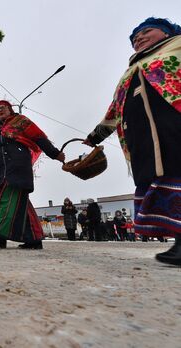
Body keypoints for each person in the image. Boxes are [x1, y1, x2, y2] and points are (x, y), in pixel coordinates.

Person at [83, 18, 181, 265]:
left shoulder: (178, 46)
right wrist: (96, 135)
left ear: (167, 32)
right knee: (162, 180)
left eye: (146, 31)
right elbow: (115, 109)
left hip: (174, 128)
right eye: (134, 37)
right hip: (144, 139)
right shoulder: (131, 70)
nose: (139, 37)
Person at [0, 100, 65, 249]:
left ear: (10, 109)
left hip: (18, 167)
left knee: (5, 201)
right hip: (2, 170)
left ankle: (0, 237)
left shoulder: (21, 122)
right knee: (21, 205)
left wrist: (55, 154)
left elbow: (39, 138)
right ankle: (34, 239)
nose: (0, 111)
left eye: (3, 108)